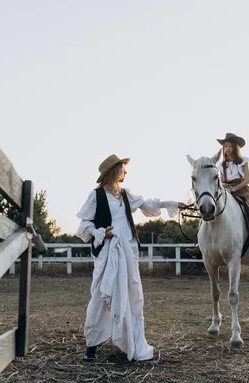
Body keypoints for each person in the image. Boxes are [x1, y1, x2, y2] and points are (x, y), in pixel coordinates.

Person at [76, 154, 186, 361]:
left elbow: (147, 203)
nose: (125, 172)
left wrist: (170, 204)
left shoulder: (125, 194)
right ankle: (92, 344)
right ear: (113, 171)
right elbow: (84, 226)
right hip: (108, 252)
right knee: (101, 295)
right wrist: (102, 233)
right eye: (122, 168)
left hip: (129, 251)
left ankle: (132, 343)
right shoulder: (96, 195)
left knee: (132, 296)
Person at [185, 133, 249, 258]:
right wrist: (225, 187)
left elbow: (247, 180)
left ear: (235, 148)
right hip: (226, 190)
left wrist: (235, 188)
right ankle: (200, 244)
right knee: (209, 208)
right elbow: (221, 180)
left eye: (230, 146)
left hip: (243, 190)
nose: (227, 148)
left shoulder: (244, 161)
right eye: (225, 146)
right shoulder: (221, 165)